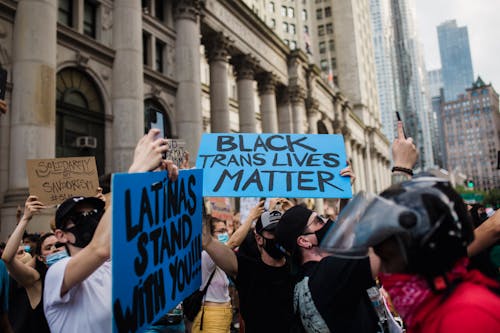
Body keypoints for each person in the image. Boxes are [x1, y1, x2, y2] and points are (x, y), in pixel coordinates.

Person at [322, 177, 500, 333]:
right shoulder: (431, 306)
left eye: (388, 258)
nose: (384, 272)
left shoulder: (465, 316)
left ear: (422, 253)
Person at [43, 128, 179, 332]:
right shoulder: (57, 273)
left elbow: (157, 233)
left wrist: (157, 184)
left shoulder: (117, 268)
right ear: (60, 235)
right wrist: (135, 173)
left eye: (94, 214)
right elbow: (100, 249)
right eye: (80, 217)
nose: (90, 220)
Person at [202, 203, 293, 333]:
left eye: (282, 231)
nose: (279, 236)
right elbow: (206, 241)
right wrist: (196, 191)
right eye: (273, 231)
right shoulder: (247, 269)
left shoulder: (297, 266)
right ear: (259, 239)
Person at [1, 195, 66, 333]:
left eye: (59, 245)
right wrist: (25, 218)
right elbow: (8, 258)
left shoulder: (81, 275)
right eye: (48, 248)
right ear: (41, 258)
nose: (55, 249)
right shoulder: (36, 280)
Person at [189, 216, 233, 333]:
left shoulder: (218, 255)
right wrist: (251, 217)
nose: (225, 234)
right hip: (212, 316)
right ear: (210, 235)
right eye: (221, 231)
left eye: (226, 230)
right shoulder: (206, 255)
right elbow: (233, 242)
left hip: (222, 315)